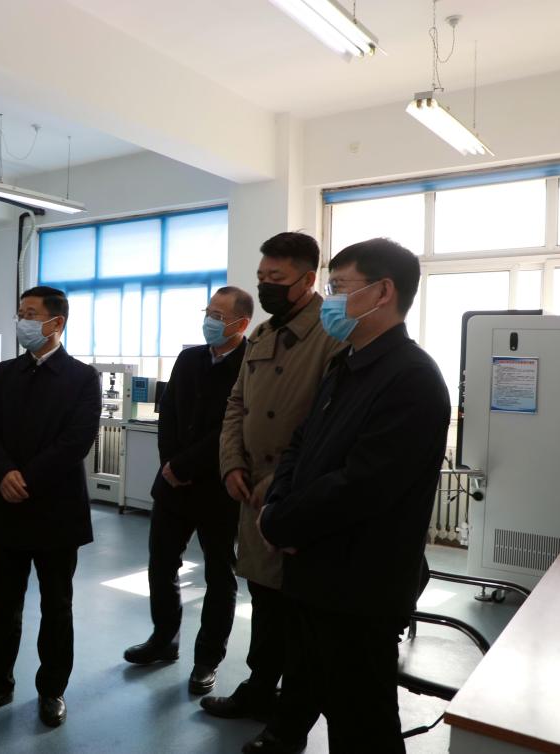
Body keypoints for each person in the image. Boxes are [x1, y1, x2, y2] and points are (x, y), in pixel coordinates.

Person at [258, 238, 450, 753]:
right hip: (315, 574)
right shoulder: (346, 363)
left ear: (382, 292)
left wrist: (282, 523)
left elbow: (361, 484)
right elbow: (301, 444)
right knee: (314, 683)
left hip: (359, 588)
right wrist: (277, 506)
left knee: (362, 723)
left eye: (339, 288)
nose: (330, 300)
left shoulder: (412, 378)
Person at [204, 232, 343, 753]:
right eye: (261, 276)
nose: (265, 286)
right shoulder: (261, 335)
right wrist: (231, 464)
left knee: (300, 614)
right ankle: (259, 688)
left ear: (307, 279)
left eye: (276, 278)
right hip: (250, 494)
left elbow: (330, 426)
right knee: (263, 601)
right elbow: (236, 406)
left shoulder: (332, 335)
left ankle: (291, 717)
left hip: (295, 497)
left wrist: (276, 480)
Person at [0, 285, 101, 728]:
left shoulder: (82, 378)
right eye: (20, 312)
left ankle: (52, 689)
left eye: (30, 313)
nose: (22, 321)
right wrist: (4, 472)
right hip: (8, 509)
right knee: (3, 604)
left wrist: (28, 478)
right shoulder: (5, 373)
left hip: (57, 510)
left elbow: (76, 441)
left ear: (56, 322)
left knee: (57, 606)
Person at [123, 286, 252, 696]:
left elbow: (234, 429)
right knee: (161, 563)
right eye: (208, 312)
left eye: (219, 315)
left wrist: (184, 465)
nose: (210, 320)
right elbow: (169, 414)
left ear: (242, 323)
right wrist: (170, 465)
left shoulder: (252, 365)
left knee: (219, 575)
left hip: (219, 486)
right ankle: (164, 639)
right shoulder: (189, 358)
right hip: (173, 485)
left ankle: (207, 659)